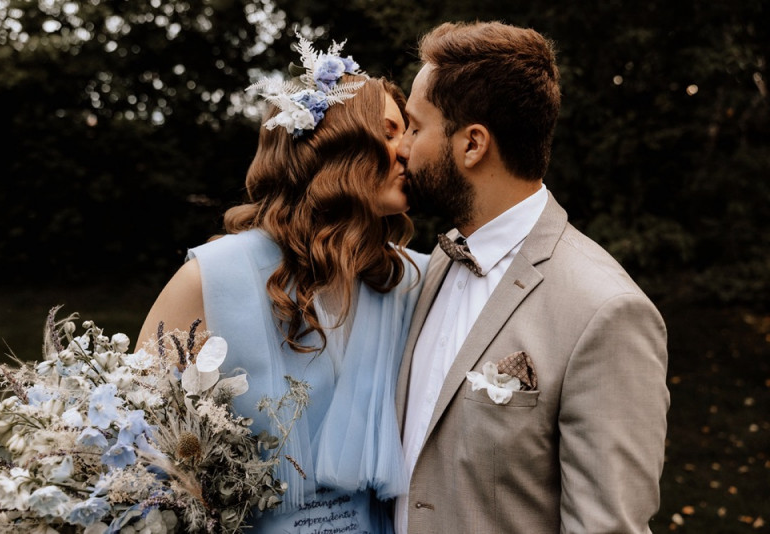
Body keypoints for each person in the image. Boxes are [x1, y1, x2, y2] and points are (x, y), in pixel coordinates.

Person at [137, 36, 428, 534]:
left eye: (409, 133)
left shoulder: (414, 279)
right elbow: (134, 444)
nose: (408, 152)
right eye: (387, 132)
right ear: (333, 145)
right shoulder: (210, 278)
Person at [393, 21, 670, 533]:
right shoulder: (432, 268)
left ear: (472, 144)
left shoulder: (604, 310)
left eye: (415, 127)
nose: (403, 148)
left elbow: (606, 526)